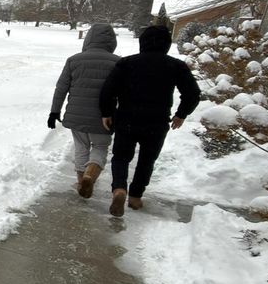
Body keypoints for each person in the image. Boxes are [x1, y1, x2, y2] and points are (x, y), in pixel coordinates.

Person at [98, 25, 201, 217]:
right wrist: (181, 114)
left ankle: (119, 189)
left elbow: (108, 90)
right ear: (167, 45)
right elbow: (193, 94)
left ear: (142, 43)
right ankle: (136, 196)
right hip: (157, 121)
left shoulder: (127, 63)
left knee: (121, 156)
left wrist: (107, 113)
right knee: (147, 159)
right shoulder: (176, 65)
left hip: (127, 118)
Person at [49, 23, 121, 198]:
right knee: (100, 147)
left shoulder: (74, 60)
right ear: (112, 41)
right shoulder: (118, 62)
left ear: (88, 39)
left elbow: (61, 88)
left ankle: (81, 181)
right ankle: (90, 174)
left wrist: (54, 112)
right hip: (105, 117)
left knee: (81, 147)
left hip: (77, 115)